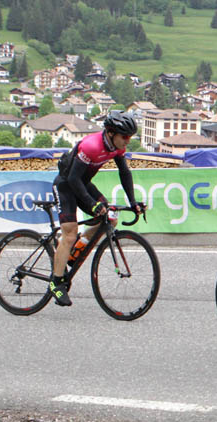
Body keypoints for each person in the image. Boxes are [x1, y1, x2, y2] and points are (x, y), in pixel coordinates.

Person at [49, 110, 145, 306]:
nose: (128, 141)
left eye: (130, 137)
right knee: (69, 233)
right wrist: (92, 204)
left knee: (110, 218)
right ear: (111, 133)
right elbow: (74, 179)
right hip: (66, 184)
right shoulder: (92, 146)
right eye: (125, 137)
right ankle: (56, 282)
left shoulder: (117, 147)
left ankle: (75, 251)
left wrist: (133, 202)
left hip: (83, 184)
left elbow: (124, 172)